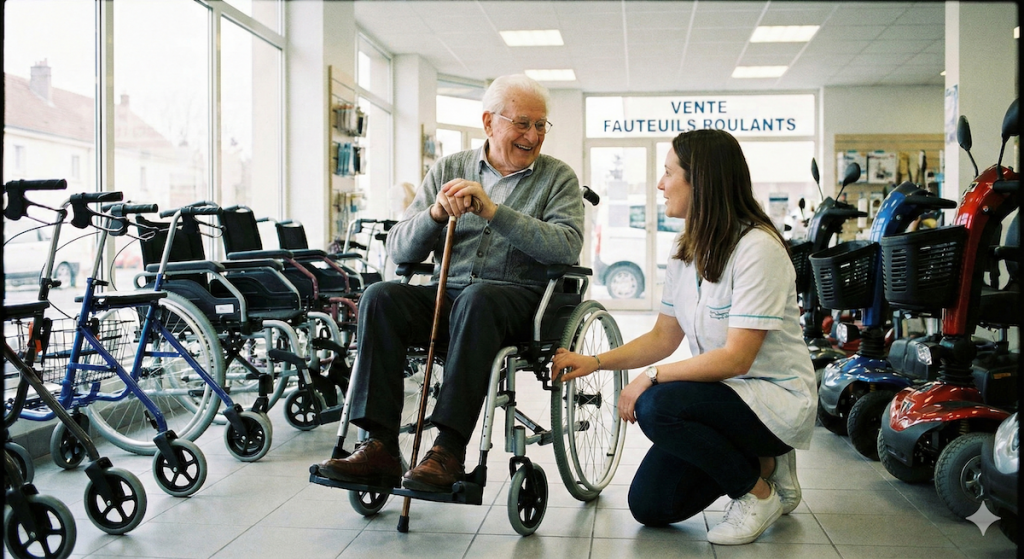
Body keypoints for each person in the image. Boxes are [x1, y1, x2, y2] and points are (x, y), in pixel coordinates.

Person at [319, 74, 584, 492]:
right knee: (380, 296)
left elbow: (567, 247)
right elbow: (400, 251)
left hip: (517, 305)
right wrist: (435, 216)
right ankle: (380, 446)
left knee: (478, 300)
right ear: (489, 122)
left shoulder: (557, 178)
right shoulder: (448, 168)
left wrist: (495, 212)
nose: (532, 136)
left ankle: (447, 450)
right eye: (522, 123)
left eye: (540, 125)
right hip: (450, 298)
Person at [552, 129, 816, 546]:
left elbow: (737, 359)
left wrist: (650, 377)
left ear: (701, 181)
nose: (660, 184)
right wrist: (597, 362)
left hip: (773, 399)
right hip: (723, 398)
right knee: (652, 506)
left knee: (657, 405)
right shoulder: (687, 249)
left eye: (669, 172)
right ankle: (766, 464)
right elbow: (663, 336)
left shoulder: (757, 249)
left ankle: (757, 494)